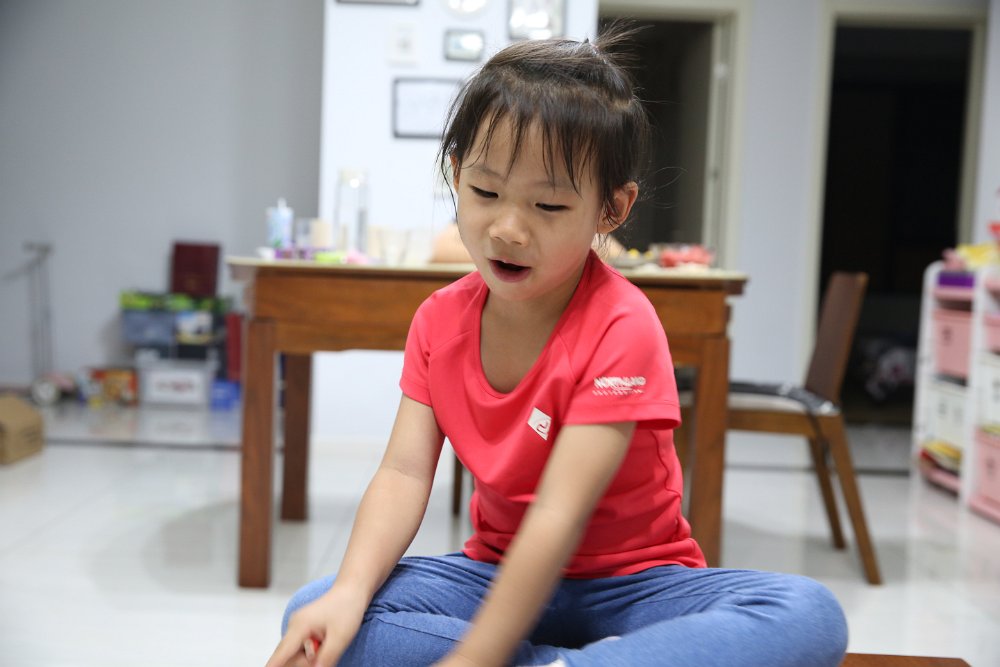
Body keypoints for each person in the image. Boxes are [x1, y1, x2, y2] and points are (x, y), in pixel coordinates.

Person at [266, 25, 848, 667]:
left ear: (611, 210)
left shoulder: (622, 325)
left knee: (808, 612)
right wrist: (350, 593)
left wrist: (475, 658)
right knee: (316, 610)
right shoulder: (438, 320)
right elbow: (403, 473)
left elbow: (559, 514)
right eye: (485, 193)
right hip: (496, 574)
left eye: (547, 205)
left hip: (638, 586)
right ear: (456, 175)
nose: (508, 229)